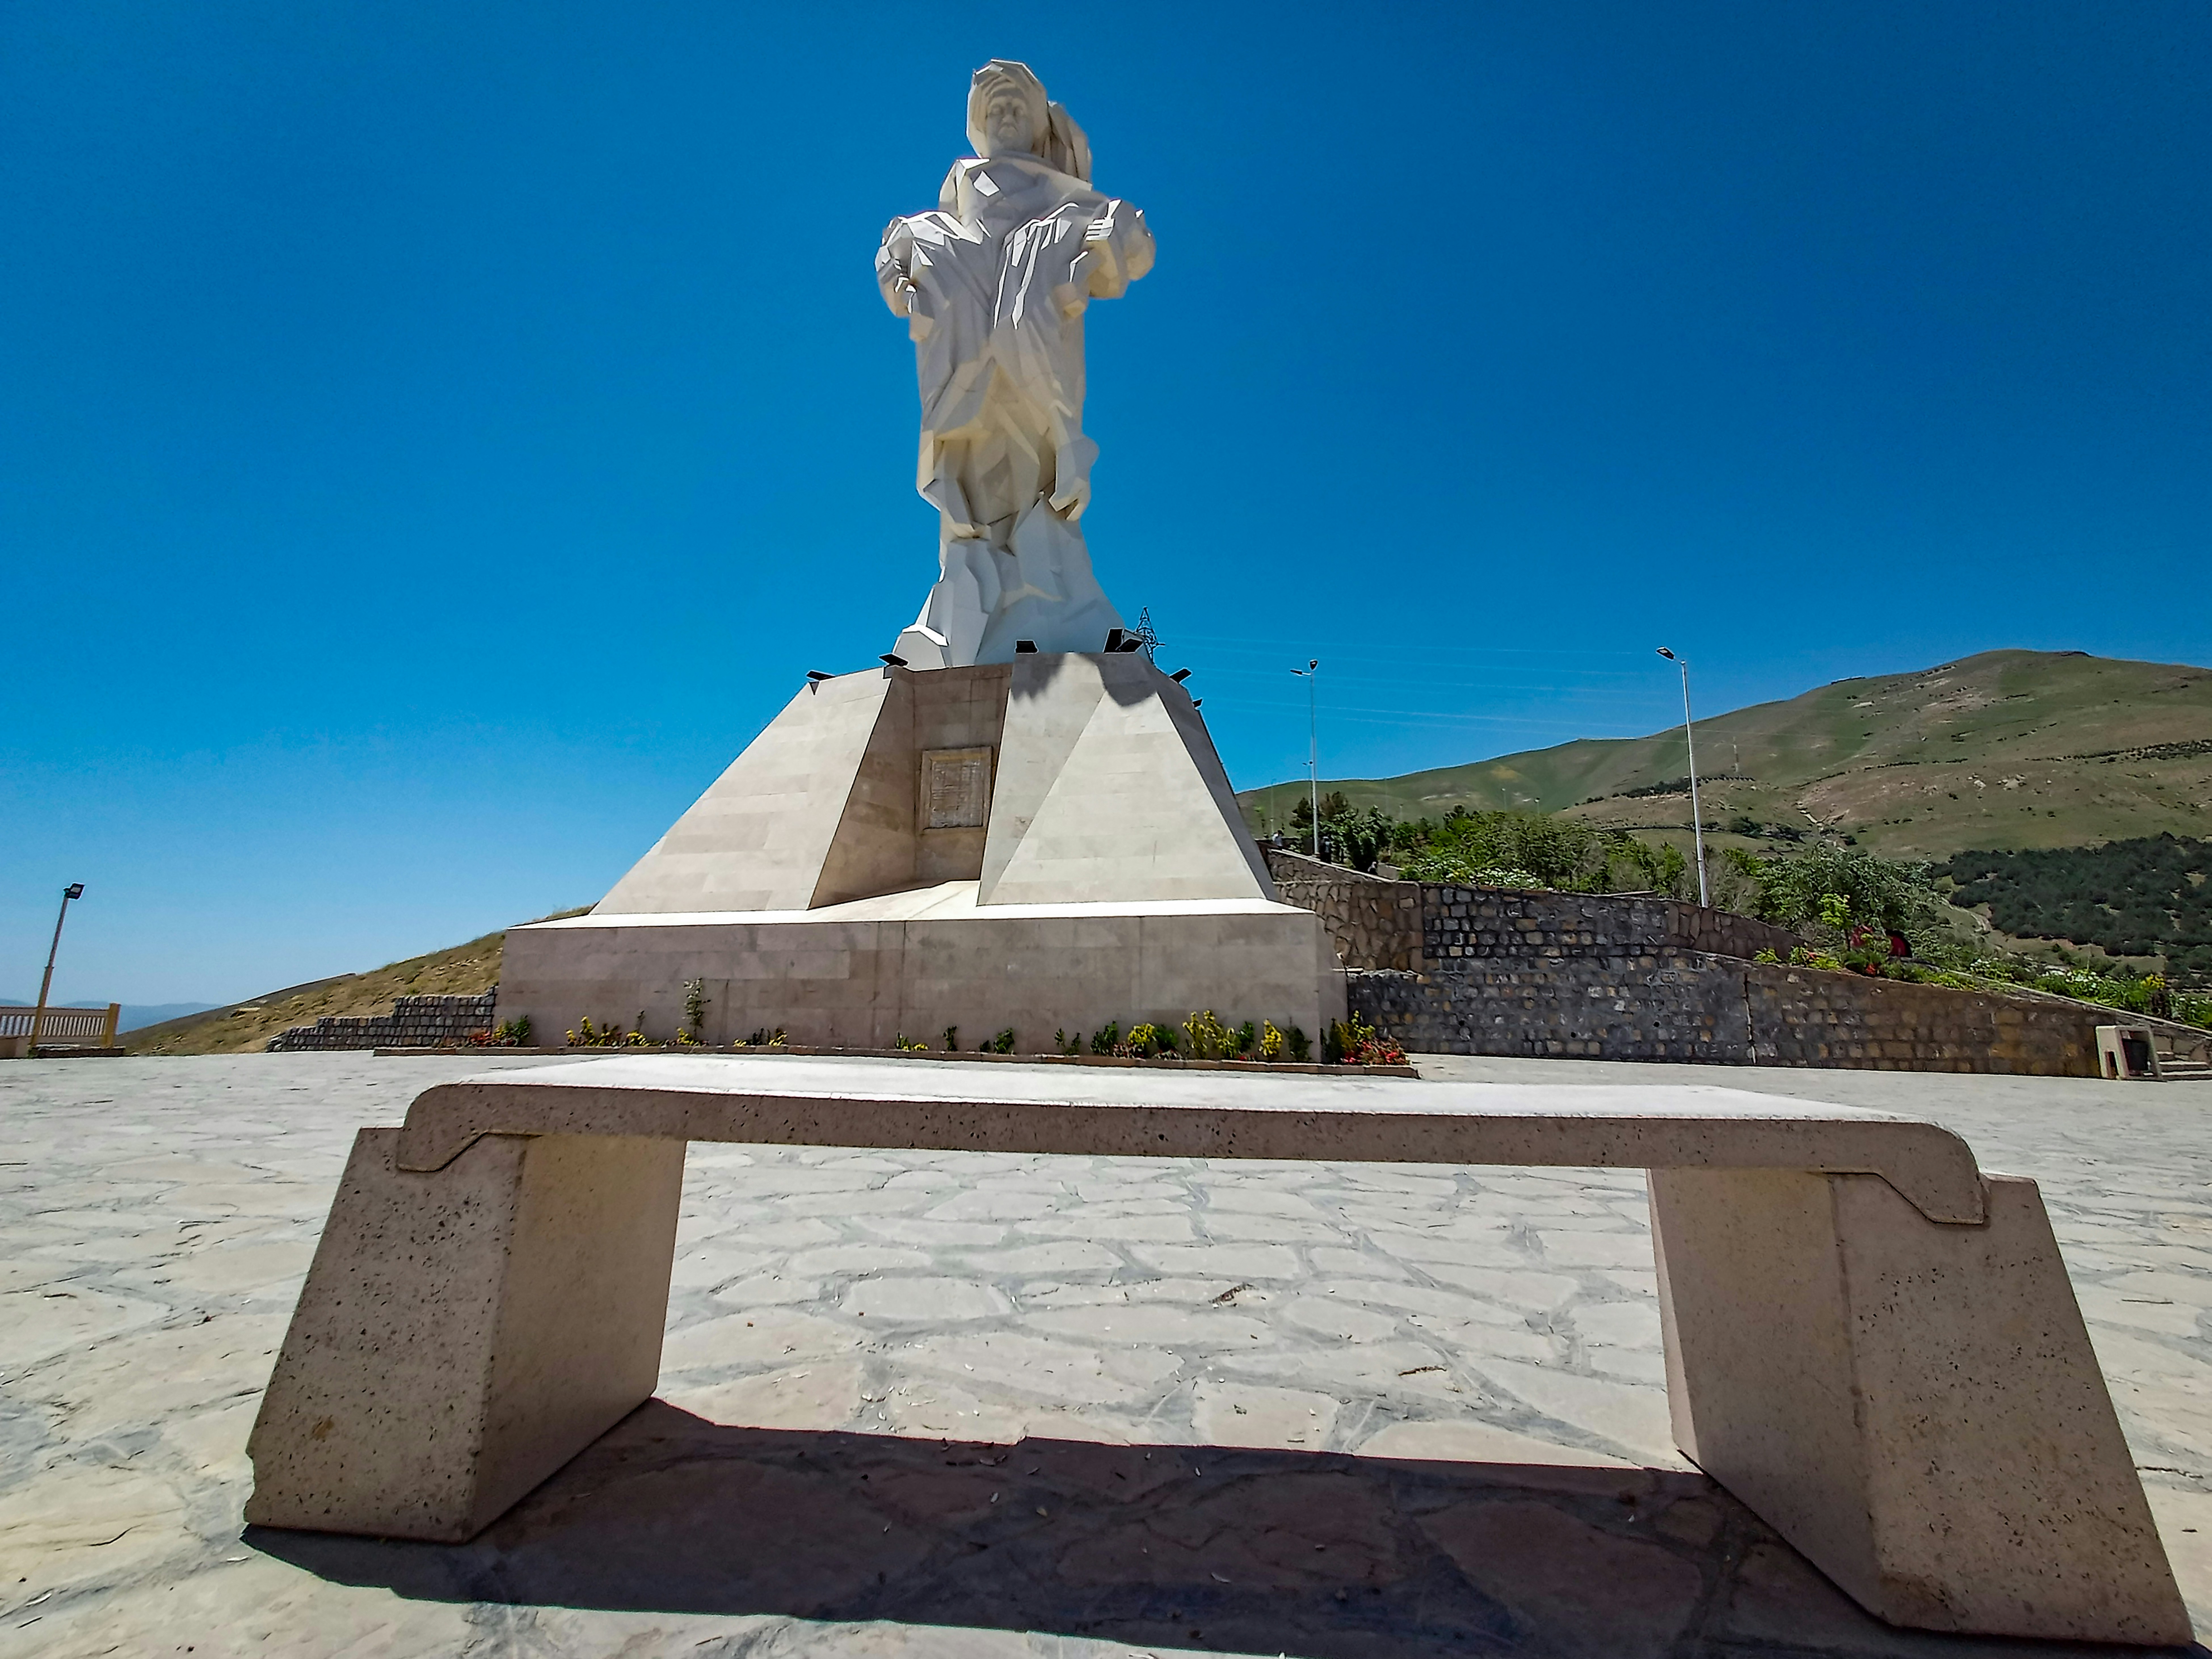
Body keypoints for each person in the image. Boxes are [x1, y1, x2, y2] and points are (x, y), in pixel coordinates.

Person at [876, 60, 1155, 666]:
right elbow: (895, 274)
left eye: (1016, 110)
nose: (1004, 118)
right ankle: (968, 611)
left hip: (1034, 387)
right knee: (972, 498)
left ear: (1037, 129)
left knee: (1036, 488)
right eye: (993, 110)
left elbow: (1133, 247)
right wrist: (901, 270)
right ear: (977, 125)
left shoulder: (1069, 209)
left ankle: (1053, 604)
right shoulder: (935, 226)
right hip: (964, 387)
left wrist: (1107, 241)